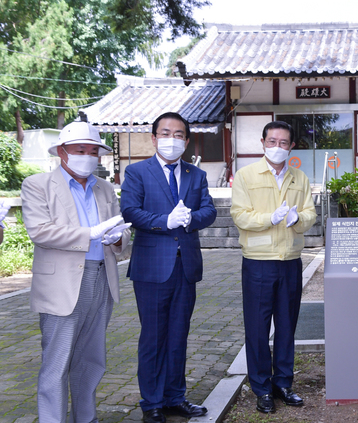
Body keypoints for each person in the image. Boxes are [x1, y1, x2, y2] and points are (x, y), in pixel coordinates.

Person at [21, 121, 131, 422]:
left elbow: (119, 230)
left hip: (101, 278)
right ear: (62, 152)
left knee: (91, 359)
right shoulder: (37, 185)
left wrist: (118, 239)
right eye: (80, 150)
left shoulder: (105, 188)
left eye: (93, 151)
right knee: (57, 362)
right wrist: (90, 232)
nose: (87, 156)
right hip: (62, 285)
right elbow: (40, 232)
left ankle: (85, 417)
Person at [120, 112, 216, 423]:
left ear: (187, 141)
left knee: (178, 335)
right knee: (153, 337)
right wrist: (165, 221)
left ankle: (175, 397)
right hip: (151, 268)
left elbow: (209, 210)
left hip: (185, 267)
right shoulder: (137, 172)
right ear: (153, 138)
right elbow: (130, 211)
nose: (171, 139)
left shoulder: (195, 174)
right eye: (165, 133)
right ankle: (152, 403)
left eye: (178, 135)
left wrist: (192, 219)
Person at [230, 121, 317, 414]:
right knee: (257, 329)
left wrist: (297, 220)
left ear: (291, 146)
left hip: (290, 262)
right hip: (258, 262)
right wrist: (271, 217)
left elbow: (310, 213)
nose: (277, 147)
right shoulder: (246, 176)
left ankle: (283, 383)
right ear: (262, 143)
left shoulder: (300, 178)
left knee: (286, 327)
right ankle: (262, 388)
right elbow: (240, 215)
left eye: (283, 143)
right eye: (272, 142)